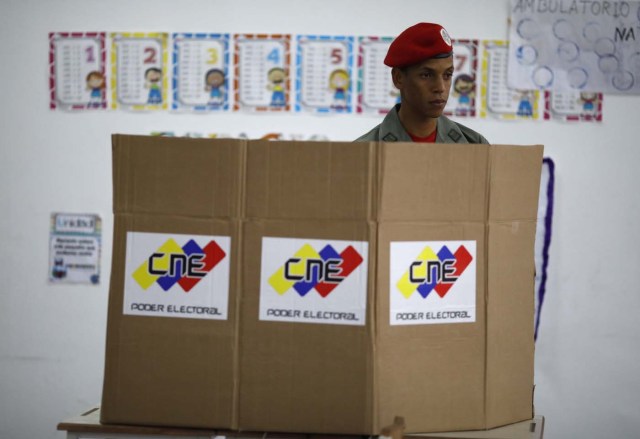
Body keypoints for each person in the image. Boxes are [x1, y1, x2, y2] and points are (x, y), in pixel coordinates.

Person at [356, 23, 488, 144]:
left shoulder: (474, 145)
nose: (440, 88)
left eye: (447, 75)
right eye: (426, 75)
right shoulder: (363, 152)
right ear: (398, 78)